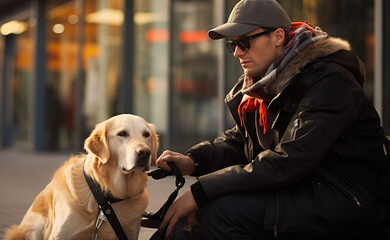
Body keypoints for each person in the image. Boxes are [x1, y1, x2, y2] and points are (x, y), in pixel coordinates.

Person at [156, 0, 390, 239]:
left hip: (348, 198)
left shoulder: (328, 81)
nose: (237, 53)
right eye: (233, 45)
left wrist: (202, 189)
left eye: (244, 42)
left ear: (278, 37)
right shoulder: (260, 85)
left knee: (222, 213)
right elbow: (241, 141)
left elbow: (291, 159)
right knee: (183, 221)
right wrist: (193, 160)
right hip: (301, 187)